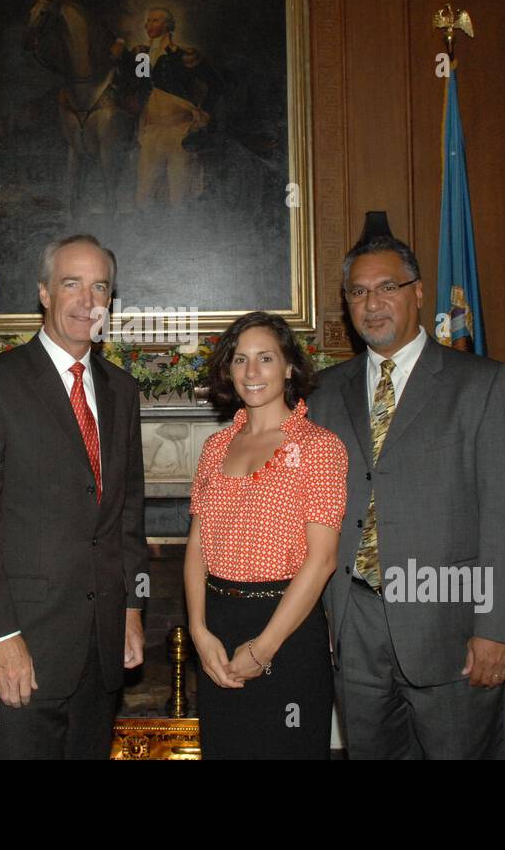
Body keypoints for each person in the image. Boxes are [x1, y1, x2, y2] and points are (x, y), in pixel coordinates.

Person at [309, 232, 505, 759]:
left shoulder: (481, 384)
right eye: (359, 293)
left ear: (418, 293)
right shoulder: (322, 392)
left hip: (450, 624)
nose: (373, 303)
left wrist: (498, 630)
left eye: (387, 287)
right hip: (354, 624)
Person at [0, 234, 148, 759]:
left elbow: (126, 514)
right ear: (43, 293)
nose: (87, 301)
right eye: (71, 284)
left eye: (99, 286)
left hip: (100, 651)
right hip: (21, 648)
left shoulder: (121, 391)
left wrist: (129, 608)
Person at [185, 311, 347, 759]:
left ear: (290, 366)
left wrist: (264, 649)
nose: (251, 372)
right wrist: (199, 630)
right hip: (218, 628)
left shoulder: (320, 447)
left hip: (288, 630)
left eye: (265, 358)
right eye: (239, 360)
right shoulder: (216, 446)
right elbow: (197, 545)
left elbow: (322, 561)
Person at [115, 7, 221, 209]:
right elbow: (139, 84)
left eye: (155, 20)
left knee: (179, 194)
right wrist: (122, 55)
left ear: (168, 25)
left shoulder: (184, 55)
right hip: (152, 131)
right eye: (147, 21)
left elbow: (216, 84)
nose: (148, 25)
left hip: (179, 131)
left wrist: (204, 113)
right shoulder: (143, 57)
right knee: (145, 194)